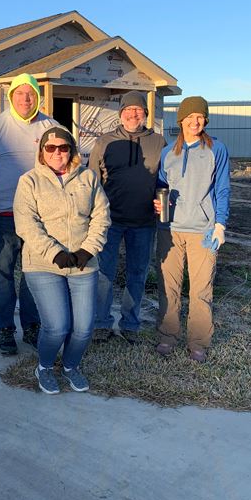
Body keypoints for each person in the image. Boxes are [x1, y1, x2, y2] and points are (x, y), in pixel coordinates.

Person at [13, 127, 111, 394]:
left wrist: (87, 251)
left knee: (83, 328)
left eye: (63, 147)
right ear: (42, 152)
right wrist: (54, 253)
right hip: (44, 264)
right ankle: (44, 366)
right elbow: (25, 223)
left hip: (83, 263)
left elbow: (101, 217)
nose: (57, 153)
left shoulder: (88, 178)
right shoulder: (29, 181)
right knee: (57, 326)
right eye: (51, 148)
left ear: (72, 150)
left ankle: (70, 366)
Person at [0, 73, 58, 355]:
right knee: (2, 275)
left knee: (34, 274)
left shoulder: (51, 126)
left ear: (38, 96)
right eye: (20, 93)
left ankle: (32, 326)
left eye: (31, 93)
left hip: (40, 217)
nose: (26, 98)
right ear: (11, 97)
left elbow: (62, 167)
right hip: (3, 215)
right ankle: (5, 330)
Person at [154, 96, 230, 363]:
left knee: (200, 289)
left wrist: (220, 224)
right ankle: (168, 335)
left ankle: (198, 341)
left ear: (205, 120)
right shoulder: (168, 153)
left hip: (203, 230)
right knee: (169, 286)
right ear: (181, 120)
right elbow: (160, 186)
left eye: (200, 117)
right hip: (169, 230)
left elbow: (222, 188)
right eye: (190, 117)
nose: (195, 121)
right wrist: (157, 201)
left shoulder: (216, 150)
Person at [89, 91, 165, 345]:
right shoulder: (104, 142)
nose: (133, 114)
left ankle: (130, 324)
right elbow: (92, 181)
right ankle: (101, 322)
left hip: (143, 222)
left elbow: (165, 179)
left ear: (145, 113)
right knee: (103, 273)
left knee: (138, 273)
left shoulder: (159, 142)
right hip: (110, 221)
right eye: (128, 110)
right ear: (120, 113)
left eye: (139, 110)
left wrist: (162, 198)